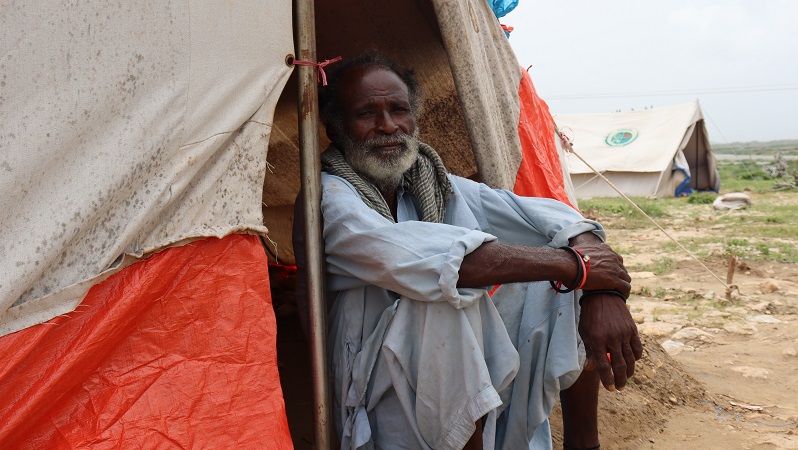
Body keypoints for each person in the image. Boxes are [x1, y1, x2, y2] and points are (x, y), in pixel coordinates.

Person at [293, 52, 642, 450]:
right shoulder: (329, 198)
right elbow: (433, 262)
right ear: (335, 127)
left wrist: (599, 289)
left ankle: (583, 443)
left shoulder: (431, 180)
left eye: (398, 110)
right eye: (366, 114)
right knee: (441, 297)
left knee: (555, 280)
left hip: (445, 366)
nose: (388, 126)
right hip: (369, 372)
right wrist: (580, 268)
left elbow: (556, 217)